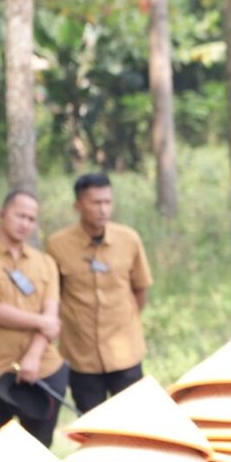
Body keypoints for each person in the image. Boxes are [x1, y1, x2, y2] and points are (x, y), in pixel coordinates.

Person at [0, 191, 68, 445]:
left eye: (31, 219)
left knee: (39, 450)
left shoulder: (46, 263)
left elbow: (51, 317)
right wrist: (40, 322)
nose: (25, 224)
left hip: (44, 369)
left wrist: (33, 356)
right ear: (2, 214)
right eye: (20, 216)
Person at [46, 172, 154, 412]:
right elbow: (54, 295)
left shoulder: (129, 240)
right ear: (78, 205)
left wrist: (123, 320)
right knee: (92, 424)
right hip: (81, 356)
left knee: (133, 421)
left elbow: (139, 289)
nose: (103, 209)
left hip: (125, 353)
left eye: (107, 202)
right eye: (95, 202)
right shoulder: (57, 245)